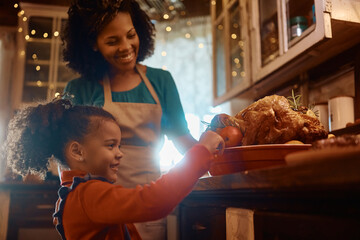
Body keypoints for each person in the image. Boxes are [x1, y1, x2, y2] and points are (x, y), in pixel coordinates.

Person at [62, 1, 197, 237]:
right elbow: (68, 157)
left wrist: (215, 154)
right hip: (100, 206)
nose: (126, 47)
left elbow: (181, 137)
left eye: (131, 35)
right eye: (112, 41)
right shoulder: (79, 89)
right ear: (93, 45)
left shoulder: (161, 81)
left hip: (151, 201)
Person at [3, 99, 224, 240]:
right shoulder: (88, 195)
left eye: (119, 145)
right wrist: (200, 152)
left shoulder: (77, 191)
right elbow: (152, 201)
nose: (120, 153)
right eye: (111, 145)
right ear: (78, 151)